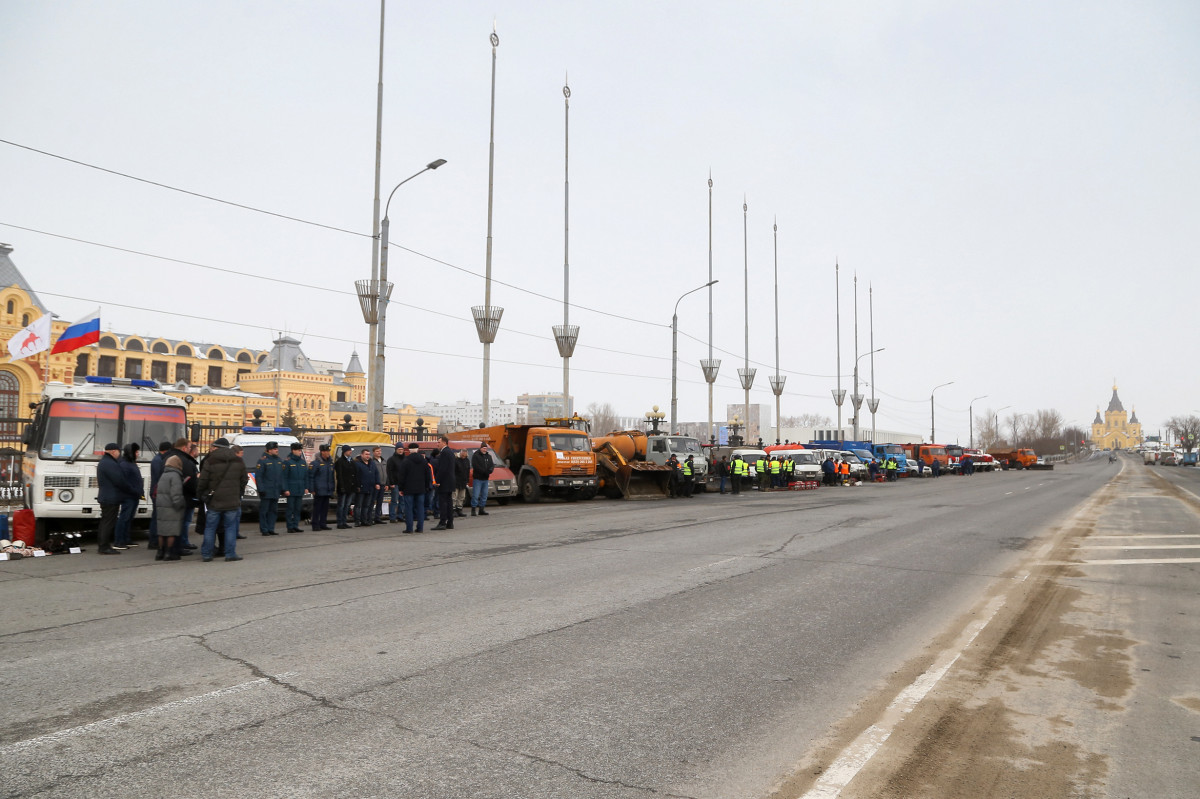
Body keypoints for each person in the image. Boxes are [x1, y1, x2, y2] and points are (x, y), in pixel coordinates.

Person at [197, 438, 249, 562]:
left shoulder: (210, 460)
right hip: (232, 500)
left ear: (216, 447)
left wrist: (201, 494)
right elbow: (244, 479)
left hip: (215, 500)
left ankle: (207, 554)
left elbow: (203, 481)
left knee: (210, 528)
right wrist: (238, 492)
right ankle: (230, 554)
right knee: (230, 528)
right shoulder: (238, 460)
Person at [95, 443, 129, 555]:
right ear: (114, 451)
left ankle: (102, 545)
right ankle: (104, 546)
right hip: (110, 497)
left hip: (107, 496)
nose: (120, 454)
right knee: (108, 522)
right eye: (119, 451)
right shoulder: (109, 463)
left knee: (105, 521)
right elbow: (119, 480)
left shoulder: (105, 462)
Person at [112, 443, 143, 549]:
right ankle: (119, 541)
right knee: (124, 518)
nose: (138, 454)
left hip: (134, 495)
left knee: (129, 518)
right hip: (128, 496)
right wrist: (134, 490)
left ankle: (126, 539)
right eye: (136, 452)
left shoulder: (131, 463)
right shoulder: (125, 464)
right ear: (131, 452)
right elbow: (124, 481)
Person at [397, 443, 431, 533]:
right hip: (421, 488)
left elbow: (402, 476)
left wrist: (401, 488)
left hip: (408, 489)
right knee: (420, 508)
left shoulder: (406, 461)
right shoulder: (424, 461)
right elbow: (428, 475)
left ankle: (409, 528)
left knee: (409, 508)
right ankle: (420, 528)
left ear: (409, 450)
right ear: (418, 449)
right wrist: (427, 487)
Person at [255, 441, 284, 535]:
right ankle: (264, 529)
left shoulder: (279, 460)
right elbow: (259, 476)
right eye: (275, 449)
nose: (277, 450)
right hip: (267, 491)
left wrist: (282, 488)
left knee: (273, 510)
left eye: (277, 449)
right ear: (269, 450)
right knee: (264, 511)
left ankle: (271, 528)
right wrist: (261, 489)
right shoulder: (263, 460)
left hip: (275, 490)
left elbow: (281, 476)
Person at [148, 441, 171, 550]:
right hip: (157, 492)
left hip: (156, 491)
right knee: (157, 517)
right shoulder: (158, 461)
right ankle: (153, 541)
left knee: (157, 517)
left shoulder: (158, 459)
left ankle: (155, 540)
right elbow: (160, 476)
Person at [307, 444, 335, 530]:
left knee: (325, 508)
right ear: (322, 452)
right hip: (318, 489)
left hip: (327, 489)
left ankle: (323, 523)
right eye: (326, 451)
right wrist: (312, 489)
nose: (328, 453)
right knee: (317, 508)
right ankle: (315, 524)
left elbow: (331, 477)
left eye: (329, 451)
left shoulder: (330, 463)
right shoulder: (315, 463)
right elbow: (311, 477)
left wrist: (332, 488)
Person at [282, 443, 308, 533]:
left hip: (300, 489)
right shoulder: (287, 462)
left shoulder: (302, 462)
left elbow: (306, 476)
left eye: (301, 450)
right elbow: (284, 477)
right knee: (290, 509)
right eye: (298, 450)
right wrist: (285, 489)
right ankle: (290, 526)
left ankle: (295, 525)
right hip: (291, 489)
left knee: (297, 509)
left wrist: (306, 487)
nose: (300, 452)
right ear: (293, 450)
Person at [433, 437, 457, 530]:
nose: (437, 444)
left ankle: (442, 522)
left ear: (444, 442)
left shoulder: (444, 453)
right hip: (450, 481)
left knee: (443, 503)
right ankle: (450, 523)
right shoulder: (450, 452)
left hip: (444, 482)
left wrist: (437, 481)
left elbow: (442, 468)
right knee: (449, 502)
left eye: (438, 442)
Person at [334, 445, 358, 529]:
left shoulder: (351, 461)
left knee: (347, 505)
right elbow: (339, 475)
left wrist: (355, 485)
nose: (350, 452)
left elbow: (354, 474)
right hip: (343, 487)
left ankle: (344, 521)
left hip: (350, 488)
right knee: (341, 505)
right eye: (349, 451)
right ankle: (340, 522)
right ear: (344, 451)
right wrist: (342, 487)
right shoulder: (340, 461)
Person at [354, 448, 379, 526]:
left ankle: (364, 520)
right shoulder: (357, 464)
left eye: (368, 454)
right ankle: (357, 521)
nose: (368, 456)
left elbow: (376, 474)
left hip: (370, 488)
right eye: (366, 454)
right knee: (358, 505)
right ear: (362, 455)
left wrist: (377, 483)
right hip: (361, 488)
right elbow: (356, 476)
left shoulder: (372, 464)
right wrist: (357, 486)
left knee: (366, 506)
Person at [386, 446, 408, 525]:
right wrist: (391, 483)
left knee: (402, 501)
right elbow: (389, 472)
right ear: (396, 450)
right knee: (394, 500)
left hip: (403, 483)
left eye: (402, 449)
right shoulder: (391, 459)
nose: (401, 451)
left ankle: (400, 516)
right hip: (395, 483)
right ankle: (392, 517)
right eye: (399, 449)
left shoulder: (405, 459)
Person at [470, 445, 494, 516]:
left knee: (484, 494)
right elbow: (476, 466)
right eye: (483, 448)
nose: (485, 450)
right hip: (478, 478)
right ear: (480, 448)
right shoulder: (476, 456)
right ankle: (473, 509)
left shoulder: (489, 456)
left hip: (485, 479)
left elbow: (491, 465)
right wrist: (484, 472)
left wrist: (490, 471)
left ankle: (481, 509)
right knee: (476, 495)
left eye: (486, 448)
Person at [453, 449, 470, 517]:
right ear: (460, 453)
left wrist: (467, 480)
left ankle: (459, 509)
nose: (463, 456)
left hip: (463, 481)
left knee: (462, 497)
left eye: (464, 455)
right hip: (456, 481)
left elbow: (467, 471)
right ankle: (453, 510)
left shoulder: (467, 460)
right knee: (454, 497)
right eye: (462, 455)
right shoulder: (456, 460)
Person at [373, 446, 388, 522]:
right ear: (374, 452)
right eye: (377, 451)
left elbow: (387, 473)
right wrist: (376, 483)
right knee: (372, 501)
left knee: (380, 502)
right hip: (376, 485)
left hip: (383, 484)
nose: (379, 452)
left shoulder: (384, 461)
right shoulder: (372, 461)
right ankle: (369, 517)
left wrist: (387, 484)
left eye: (380, 451)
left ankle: (377, 517)